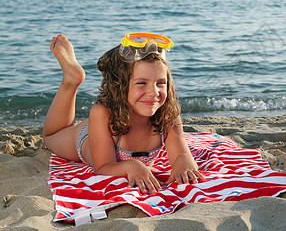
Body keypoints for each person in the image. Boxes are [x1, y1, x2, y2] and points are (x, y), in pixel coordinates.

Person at [43, 33, 204, 194]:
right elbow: (103, 167)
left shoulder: (168, 114)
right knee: (51, 136)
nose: (153, 92)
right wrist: (132, 166)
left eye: (161, 83)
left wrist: (184, 161)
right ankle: (71, 80)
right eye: (142, 83)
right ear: (120, 85)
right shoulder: (102, 114)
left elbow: (181, 153)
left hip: (115, 127)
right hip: (91, 136)